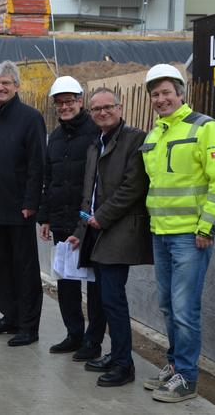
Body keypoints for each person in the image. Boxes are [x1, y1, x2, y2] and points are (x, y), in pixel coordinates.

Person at [140, 64, 215, 403]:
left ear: (181, 94)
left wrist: (206, 227)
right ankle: (175, 365)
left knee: (184, 309)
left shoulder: (204, 127)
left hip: (191, 237)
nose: (160, 99)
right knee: (168, 306)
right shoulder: (154, 135)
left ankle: (187, 379)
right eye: (155, 95)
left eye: (166, 92)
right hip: (161, 234)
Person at [67, 88, 152, 388]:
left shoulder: (135, 140)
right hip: (95, 230)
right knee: (103, 297)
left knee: (113, 299)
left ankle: (123, 364)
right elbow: (87, 192)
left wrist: (101, 216)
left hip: (118, 231)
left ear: (120, 107)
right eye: (96, 109)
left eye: (108, 107)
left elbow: (133, 187)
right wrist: (82, 229)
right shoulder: (96, 145)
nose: (102, 113)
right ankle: (115, 354)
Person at [0, 61, 46, 346]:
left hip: (18, 208)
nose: (0, 88)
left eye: (6, 83)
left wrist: (31, 201)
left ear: (16, 86)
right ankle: (9, 315)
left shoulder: (30, 117)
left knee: (24, 269)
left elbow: (36, 164)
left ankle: (28, 326)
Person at [38, 76, 105, 360]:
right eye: (60, 103)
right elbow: (49, 178)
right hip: (62, 219)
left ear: (80, 101)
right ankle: (73, 334)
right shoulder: (55, 136)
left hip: (89, 221)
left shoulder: (95, 133)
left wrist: (93, 215)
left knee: (94, 283)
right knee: (66, 280)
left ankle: (94, 341)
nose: (65, 107)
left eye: (70, 101)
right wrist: (45, 217)